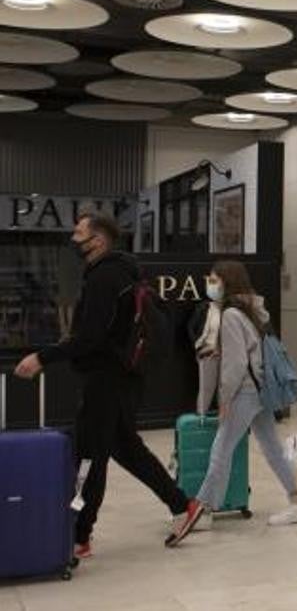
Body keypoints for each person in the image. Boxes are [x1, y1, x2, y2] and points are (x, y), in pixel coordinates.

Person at [14, 211, 191, 560]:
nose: (73, 239)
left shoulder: (104, 277)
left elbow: (89, 338)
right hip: (120, 377)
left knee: (89, 458)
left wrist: (42, 357)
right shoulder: (120, 272)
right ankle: (182, 504)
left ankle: (80, 535)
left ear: (98, 240)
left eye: (79, 233)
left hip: (106, 379)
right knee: (124, 448)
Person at [165, 261, 297, 547]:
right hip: (261, 389)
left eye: (215, 279)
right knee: (271, 448)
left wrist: (225, 399)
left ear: (227, 283)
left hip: (244, 391)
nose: (211, 284)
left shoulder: (231, 314)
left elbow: (234, 363)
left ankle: (201, 507)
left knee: (222, 448)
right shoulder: (254, 309)